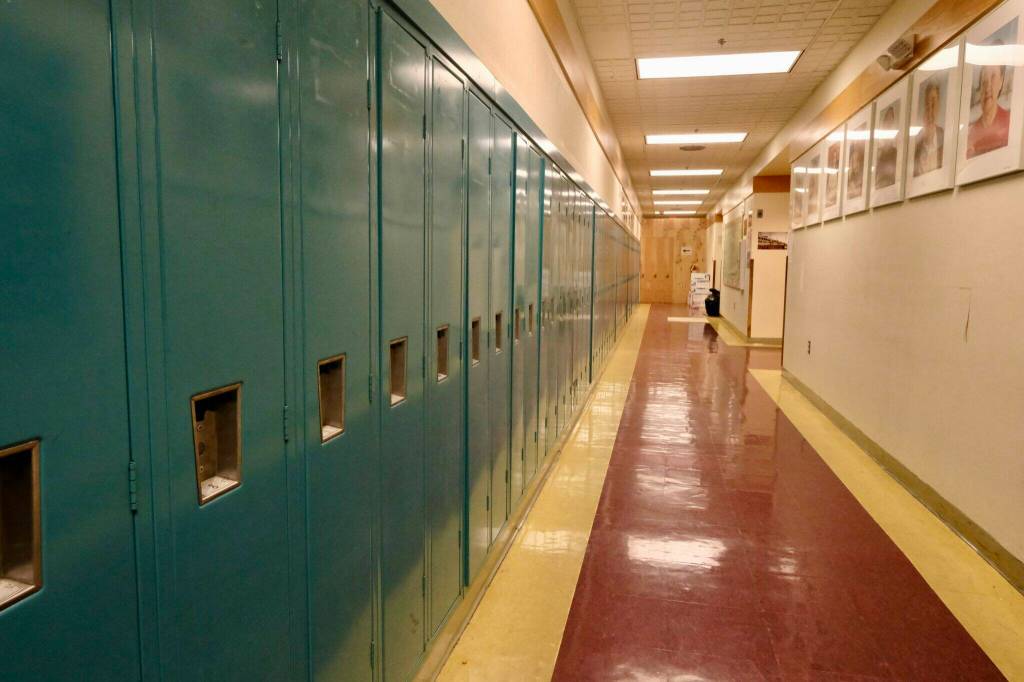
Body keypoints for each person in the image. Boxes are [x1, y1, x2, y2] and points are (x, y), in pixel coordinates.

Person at [967, 56, 1012, 158]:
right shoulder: (971, 134)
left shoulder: (1010, 122)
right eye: (984, 81)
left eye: (993, 77)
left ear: (1001, 81)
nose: (987, 87)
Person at [914, 78, 944, 175]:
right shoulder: (916, 142)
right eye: (927, 104)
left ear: (938, 105)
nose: (930, 109)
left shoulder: (945, 137)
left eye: (933, 103)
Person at [874, 105, 899, 188]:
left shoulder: (896, 152)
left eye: (891, 121)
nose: (889, 125)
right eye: (887, 121)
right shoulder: (877, 152)